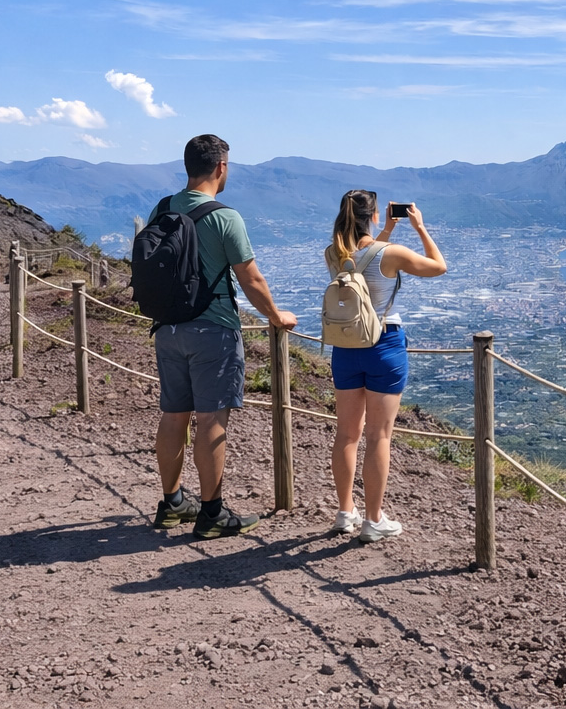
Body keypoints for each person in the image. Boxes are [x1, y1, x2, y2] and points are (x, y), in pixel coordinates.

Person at [148, 134, 298, 540]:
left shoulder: (162, 208)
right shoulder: (224, 216)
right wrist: (276, 315)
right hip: (212, 329)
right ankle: (212, 512)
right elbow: (250, 278)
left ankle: (172, 502)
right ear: (221, 168)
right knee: (212, 418)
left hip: (167, 328)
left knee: (174, 414)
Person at [326, 191, 447, 544]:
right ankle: (373, 520)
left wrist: (387, 230)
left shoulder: (336, 253)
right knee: (378, 435)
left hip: (346, 347)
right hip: (383, 344)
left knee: (346, 434)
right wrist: (420, 228)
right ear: (375, 215)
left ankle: (345, 512)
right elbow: (438, 266)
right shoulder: (390, 255)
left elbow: (362, 261)